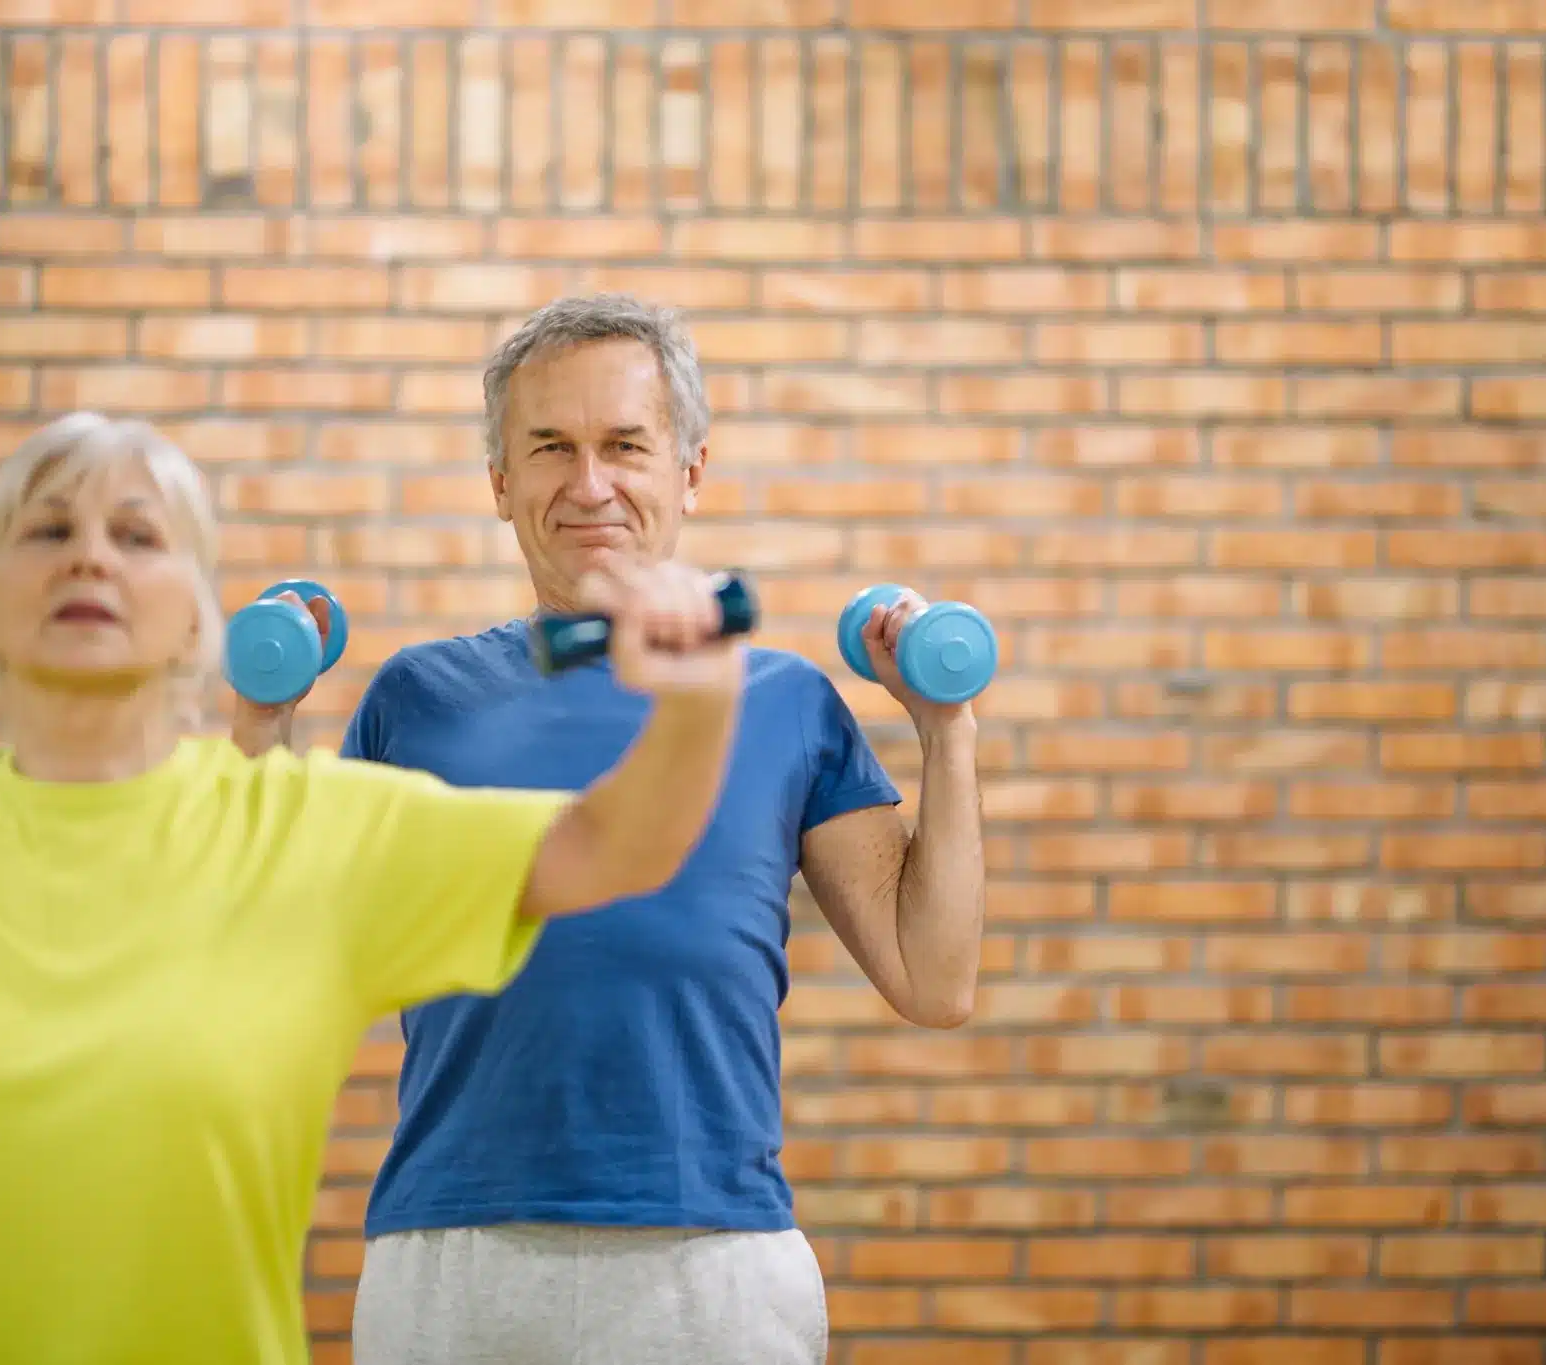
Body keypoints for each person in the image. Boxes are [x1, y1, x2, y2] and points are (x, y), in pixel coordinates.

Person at [0, 410, 750, 1365]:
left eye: (136, 536)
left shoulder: (310, 836)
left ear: (198, 619)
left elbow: (613, 846)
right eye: (47, 530)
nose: (89, 557)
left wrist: (697, 705)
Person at [230, 294, 988, 1364]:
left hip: (712, 1262)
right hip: (456, 1257)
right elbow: (271, 947)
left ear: (689, 468)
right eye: (549, 448)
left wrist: (944, 731)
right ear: (500, 483)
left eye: (624, 445)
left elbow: (934, 979)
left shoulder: (780, 699)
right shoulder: (418, 696)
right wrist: (262, 725)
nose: (589, 485)